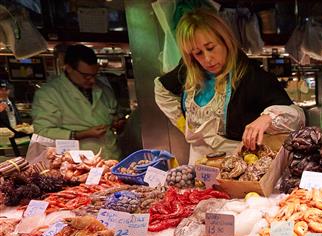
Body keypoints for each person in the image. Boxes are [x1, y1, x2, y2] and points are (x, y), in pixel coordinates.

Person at [154, 8, 304, 164]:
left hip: (238, 166)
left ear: (225, 41)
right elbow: (161, 89)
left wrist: (268, 118)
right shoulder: (189, 71)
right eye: (198, 53)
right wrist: (183, 124)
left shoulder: (252, 76)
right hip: (198, 164)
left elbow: (297, 116)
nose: (207, 59)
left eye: (211, 48)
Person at [31, 44, 125, 160]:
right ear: (69, 68)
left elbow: (115, 114)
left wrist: (118, 121)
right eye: (86, 76)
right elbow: (42, 132)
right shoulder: (49, 94)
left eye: (94, 75)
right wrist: (82, 134)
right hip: (77, 162)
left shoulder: (104, 89)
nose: (92, 80)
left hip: (111, 157)